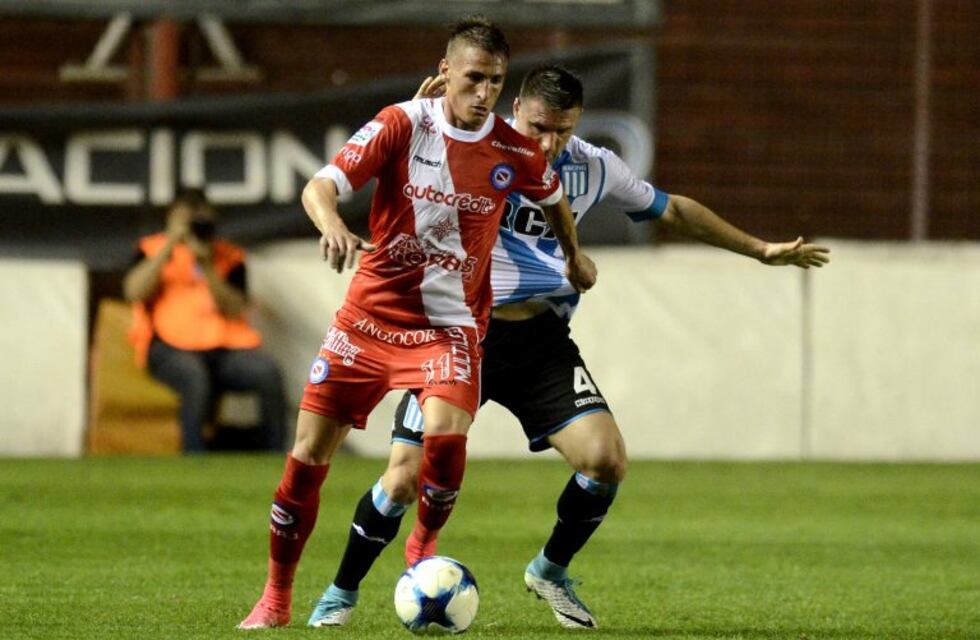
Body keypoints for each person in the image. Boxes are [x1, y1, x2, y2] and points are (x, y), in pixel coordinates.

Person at [306, 65, 831, 630]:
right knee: (405, 478)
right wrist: (423, 125)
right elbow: (402, 177)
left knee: (605, 461)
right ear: (515, 110)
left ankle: (550, 571)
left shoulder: (591, 167)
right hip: (460, 335)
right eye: (537, 128)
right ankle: (340, 592)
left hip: (540, 343)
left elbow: (671, 207)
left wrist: (759, 250)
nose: (549, 143)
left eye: (563, 130)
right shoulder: (473, 146)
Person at [237, 17, 596, 630]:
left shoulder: (511, 149)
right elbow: (321, 186)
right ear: (447, 69)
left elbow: (553, 195)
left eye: (496, 81)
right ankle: (275, 598)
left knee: (445, 443)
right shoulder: (402, 122)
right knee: (306, 457)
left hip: (451, 326)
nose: (483, 93)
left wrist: (572, 254)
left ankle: (421, 551)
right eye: (475, 78)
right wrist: (331, 223)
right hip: (369, 319)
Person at [123, 188, 286, 454]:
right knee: (194, 377)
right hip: (169, 348)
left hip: (224, 351)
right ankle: (195, 456)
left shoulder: (229, 257)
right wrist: (170, 246)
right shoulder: (150, 248)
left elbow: (234, 309)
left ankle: (276, 457)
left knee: (267, 373)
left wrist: (207, 265)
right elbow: (133, 292)